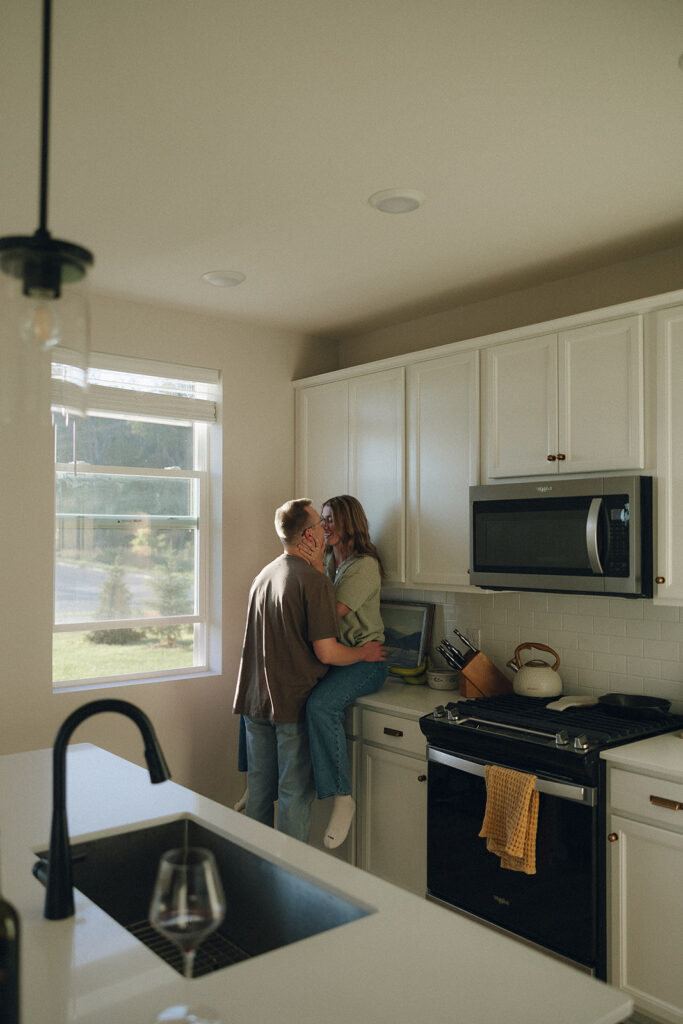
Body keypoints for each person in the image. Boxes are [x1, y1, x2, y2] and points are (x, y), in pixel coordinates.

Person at [232, 498, 385, 843]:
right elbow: (327, 650)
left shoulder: (264, 574)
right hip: (290, 701)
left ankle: (255, 869)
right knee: (292, 794)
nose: (324, 528)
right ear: (307, 535)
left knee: (259, 791)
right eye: (320, 523)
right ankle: (290, 880)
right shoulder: (315, 577)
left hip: (256, 699)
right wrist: (362, 653)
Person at [301, 495, 386, 850]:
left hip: (366, 660)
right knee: (278, 689)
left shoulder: (362, 566)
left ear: (350, 522)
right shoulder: (328, 562)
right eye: (322, 520)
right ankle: (264, 781)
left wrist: (315, 568)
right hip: (335, 656)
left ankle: (342, 797)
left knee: (320, 707)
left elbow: (329, 613)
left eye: (332, 519)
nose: (325, 527)